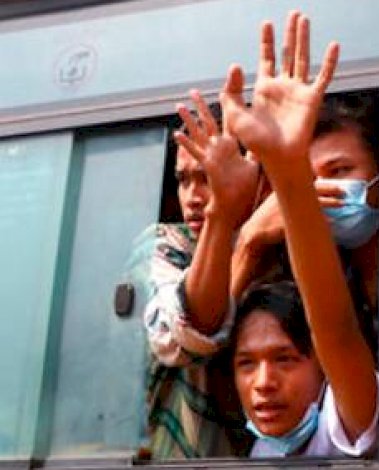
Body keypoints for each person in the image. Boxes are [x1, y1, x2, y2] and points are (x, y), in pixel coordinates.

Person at [219, 10, 379, 457]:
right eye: (246, 364)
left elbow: (335, 327)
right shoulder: (257, 450)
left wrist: (291, 174)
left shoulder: (343, 423)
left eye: (286, 359)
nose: (264, 384)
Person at [126, 92, 261, 458]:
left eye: (207, 178)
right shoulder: (164, 245)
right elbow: (186, 331)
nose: (193, 197)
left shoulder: (283, 244)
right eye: (183, 180)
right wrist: (243, 241)